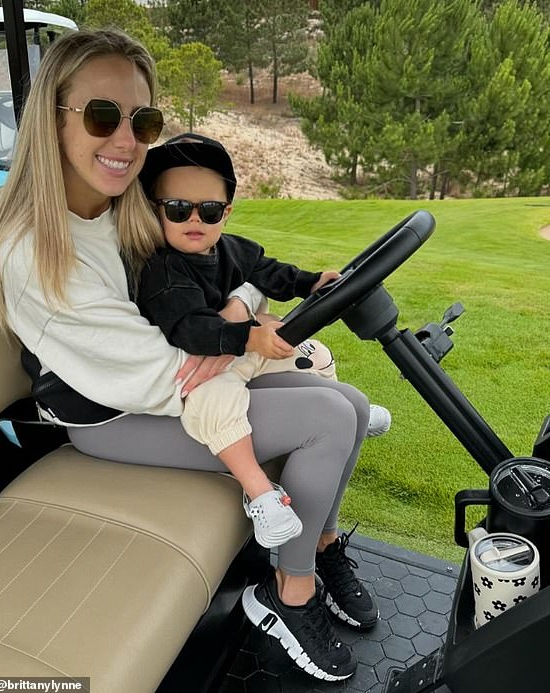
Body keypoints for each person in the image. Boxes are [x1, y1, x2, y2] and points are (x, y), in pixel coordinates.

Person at [0, 28, 378, 684]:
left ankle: (321, 545)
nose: (125, 139)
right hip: (110, 414)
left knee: (352, 404)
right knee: (327, 418)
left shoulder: (122, 207)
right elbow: (167, 375)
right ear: (50, 121)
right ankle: (288, 594)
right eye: (102, 115)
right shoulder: (35, 249)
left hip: (164, 385)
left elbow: (212, 276)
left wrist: (259, 306)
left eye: (143, 120)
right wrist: (243, 337)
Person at [137, 132, 390, 550]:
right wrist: (252, 335)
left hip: (238, 350)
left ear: (227, 212)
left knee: (304, 354)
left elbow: (270, 272)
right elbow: (190, 329)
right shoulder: (163, 272)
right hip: (195, 371)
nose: (196, 220)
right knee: (214, 402)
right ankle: (260, 494)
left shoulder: (233, 250)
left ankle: (348, 410)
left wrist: (311, 283)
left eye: (211, 210)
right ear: (156, 211)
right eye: (179, 209)